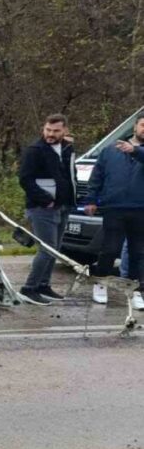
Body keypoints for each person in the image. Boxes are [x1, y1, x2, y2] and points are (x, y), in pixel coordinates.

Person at [83, 114, 144, 310]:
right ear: (135, 127)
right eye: (143, 125)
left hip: (140, 208)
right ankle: (101, 284)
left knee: (138, 252)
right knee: (109, 249)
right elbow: (97, 176)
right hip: (114, 207)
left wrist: (135, 151)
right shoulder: (110, 151)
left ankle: (135, 290)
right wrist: (91, 199)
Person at [17, 114, 76, 305]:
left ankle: (43, 284)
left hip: (63, 205)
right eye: (48, 130)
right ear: (43, 129)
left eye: (56, 131)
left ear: (65, 130)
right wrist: (45, 200)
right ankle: (29, 288)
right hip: (42, 207)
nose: (50, 134)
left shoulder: (67, 148)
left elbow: (69, 174)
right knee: (47, 248)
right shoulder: (35, 150)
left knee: (55, 249)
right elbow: (25, 179)